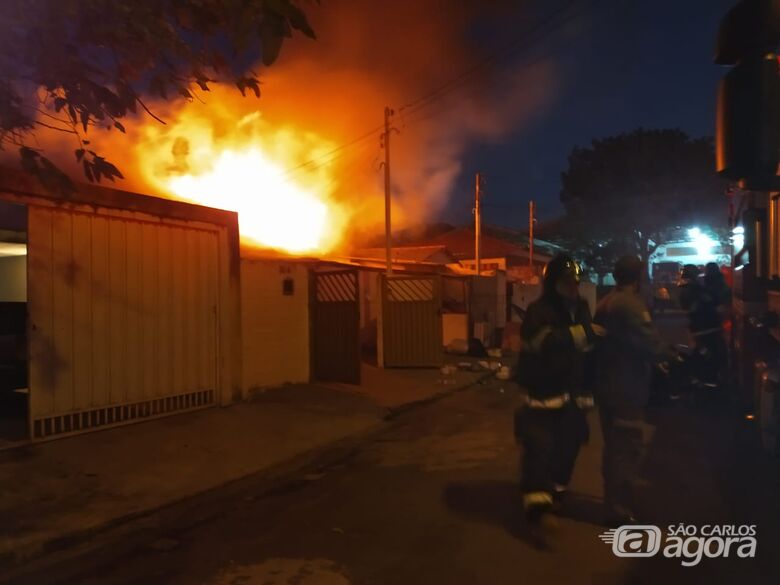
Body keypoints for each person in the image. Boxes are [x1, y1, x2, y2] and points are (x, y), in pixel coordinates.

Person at [514, 254, 603, 546]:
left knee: (568, 452)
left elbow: (588, 354)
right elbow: (545, 343)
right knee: (539, 453)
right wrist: (584, 332)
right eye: (566, 281)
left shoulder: (582, 309)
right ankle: (538, 511)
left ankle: (555, 495)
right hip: (543, 396)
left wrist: (589, 391)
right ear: (553, 283)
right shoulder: (539, 311)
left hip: (573, 399)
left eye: (576, 281)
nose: (573, 286)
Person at [594, 255, 675, 526]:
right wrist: (671, 355)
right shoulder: (629, 305)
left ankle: (612, 503)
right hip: (625, 386)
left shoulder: (605, 301)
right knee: (626, 447)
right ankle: (618, 511)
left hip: (606, 383)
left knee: (614, 446)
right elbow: (648, 341)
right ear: (638, 278)